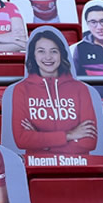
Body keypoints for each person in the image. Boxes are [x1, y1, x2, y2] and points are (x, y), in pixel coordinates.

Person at [9, 29, 98, 157]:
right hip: (37, 165)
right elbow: (22, 139)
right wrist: (69, 135)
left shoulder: (80, 89)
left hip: (78, 164)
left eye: (54, 51)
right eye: (41, 51)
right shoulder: (21, 89)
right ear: (33, 55)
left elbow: (89, 142)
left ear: (61, 54)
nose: (48, 57)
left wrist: (41, 142)